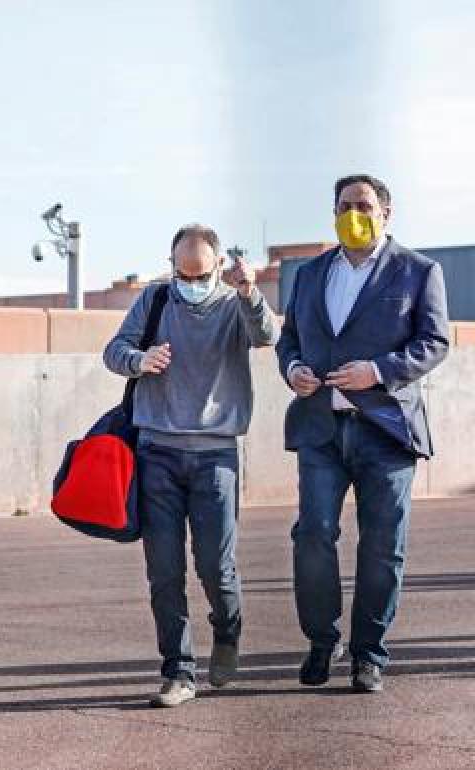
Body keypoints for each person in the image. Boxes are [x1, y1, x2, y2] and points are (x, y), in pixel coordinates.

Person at [277, 174, 450, 693]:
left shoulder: (419, 271)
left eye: (365, 205)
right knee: (312, 536)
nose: (356, 213)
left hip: (386, 430)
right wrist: (293, 370)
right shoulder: (310, 274)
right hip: (320, 429)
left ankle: (368, 653)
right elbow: (288, 340)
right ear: (334, 212)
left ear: (386, 213)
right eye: (346, 205)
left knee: (382, 546)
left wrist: (377, 371)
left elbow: (434, 342)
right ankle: (320, 641)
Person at [104, 224, 278, 707]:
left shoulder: (233, 303)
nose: (191, 280)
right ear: (172, 264)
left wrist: (249, 291)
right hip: (156, 451)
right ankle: (178, 672)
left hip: (215, 455)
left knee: (215, 567)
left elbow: (266, 335)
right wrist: (139, 359)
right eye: (182, 271)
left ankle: (228, 630)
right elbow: (113, 351)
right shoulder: (156, 300)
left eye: (200, 273)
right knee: (164, 570)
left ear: (218, 267)